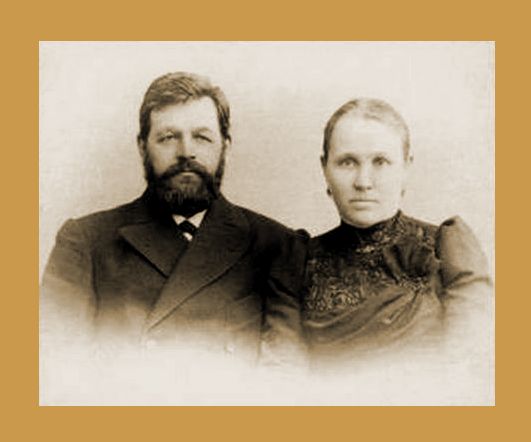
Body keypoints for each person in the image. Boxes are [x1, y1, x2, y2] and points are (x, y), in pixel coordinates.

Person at [41, 72, 306, 362]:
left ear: (225, 147)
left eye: (202, 137)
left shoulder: (277, 246)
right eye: (168, 138)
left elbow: (283, 374)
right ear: (143, 147)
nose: (186, 152)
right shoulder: (86, 242)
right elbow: (58, 365)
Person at [302, 98, 492, 365]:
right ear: (325, 168)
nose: (363, 182)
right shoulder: (299, 260)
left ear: (406, 167)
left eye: (380, 162)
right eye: (347, 162)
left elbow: (471, 364)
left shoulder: (446, 249)